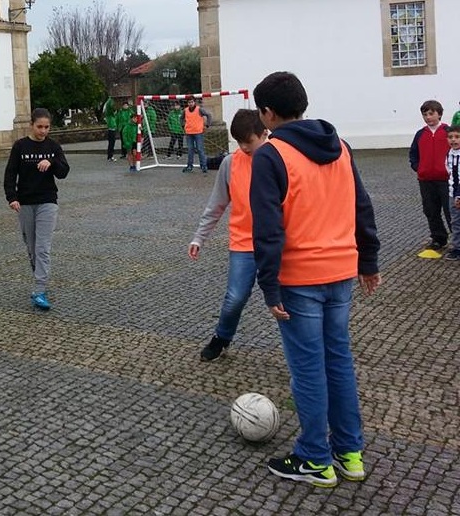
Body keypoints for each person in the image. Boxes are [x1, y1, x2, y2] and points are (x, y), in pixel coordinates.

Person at [250, 71, 381, 488]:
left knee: (308, 370)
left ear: (268, 113)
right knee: (338, 362)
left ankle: (314, 459)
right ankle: (350, 453)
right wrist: (369, 260)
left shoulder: (272, 155)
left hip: (300, 277)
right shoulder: (340, 146)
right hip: (341, 271)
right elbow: (362, 205)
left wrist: (269, 284)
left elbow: (268, 229)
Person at [188, 109, 268, 361]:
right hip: (243, 244)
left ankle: (300, 352)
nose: (243, 147)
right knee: (235, 297)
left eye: (249, 142)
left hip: (276, 245)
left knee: (285, 303)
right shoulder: (230, 163)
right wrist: (199, 237)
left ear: (264, 134)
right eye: (239, 142)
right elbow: (216, 205)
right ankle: (222, 337)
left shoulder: (279, 159)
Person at [3, 107, 70, 311]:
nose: (43, 131)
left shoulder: (54, 146)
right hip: (25, 203)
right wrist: (12, 198)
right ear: (31, 125)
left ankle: (39, 290)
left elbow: (64, 172)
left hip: (48, 201)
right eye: (39, 127)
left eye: (47, 127)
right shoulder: (20, 147)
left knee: (42, 248)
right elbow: (10, 174)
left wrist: (51, 162)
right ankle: (39, 279)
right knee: (32, 248)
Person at [409, 100, 451, 250]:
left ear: (439, 114)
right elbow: (413, 154)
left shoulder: (448, 132)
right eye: (425, 114)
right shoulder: (420, 134)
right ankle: (438, 238)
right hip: (426, 180)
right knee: (431, 211)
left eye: (431, 113)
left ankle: (457, 239)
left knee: (450, 211)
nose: (428, 117)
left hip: (447, 180)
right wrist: (418, 168)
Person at [182, 97, 212, 174]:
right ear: (187, 103)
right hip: (189, 133)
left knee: (200, 149)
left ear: (194, 102)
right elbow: (181, 118)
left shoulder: (199, 109)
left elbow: (209, 115)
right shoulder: (185, 110)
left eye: (192, 102)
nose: (190, 104)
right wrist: (183, 126)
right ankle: (189, 166)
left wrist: (207, 125)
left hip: (198, 132)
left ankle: (204, 166)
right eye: (189, 102)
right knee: (190, 150)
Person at [444, 126, 460, 261]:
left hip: (458, 194)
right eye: (450, 137)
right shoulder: (449, 153)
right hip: (452, 194)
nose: (453, 140)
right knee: (455, 221)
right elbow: (450, 174)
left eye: (457, 137)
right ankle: (457, 247)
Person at [103, 96, 117, 162]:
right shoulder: (109, 115)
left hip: (113, 129)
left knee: (112, 144)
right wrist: (110, 98)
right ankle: (110, 156)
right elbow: (109, 106)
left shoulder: (113, 116)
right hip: (111, 130)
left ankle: (110, 156)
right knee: (111, 144)